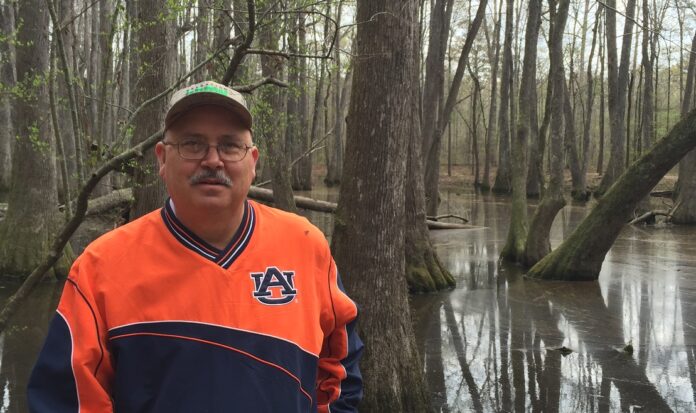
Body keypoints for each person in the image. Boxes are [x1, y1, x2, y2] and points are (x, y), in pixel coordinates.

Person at [27, 81, 363, 413]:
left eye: (230, 145)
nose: (213, 160)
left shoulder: (305, 246)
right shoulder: (101, 267)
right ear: (162, 158)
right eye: (192, 144)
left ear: (253, 161)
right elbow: (66, 400)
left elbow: (340, 365)